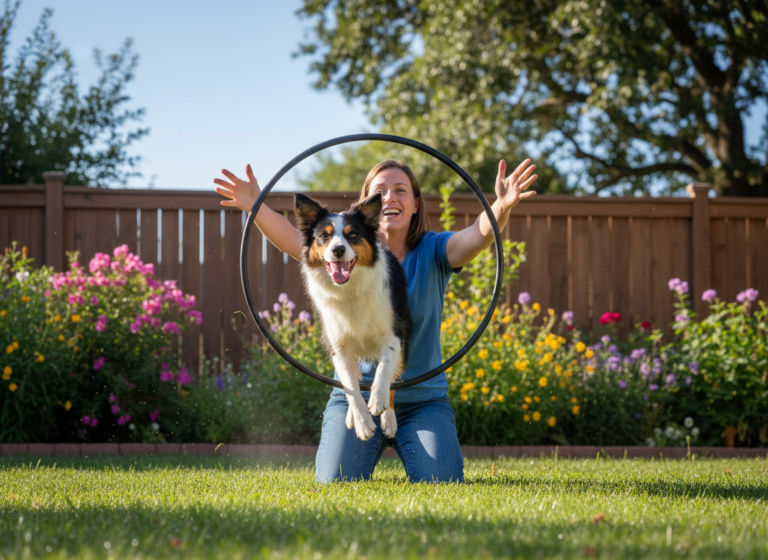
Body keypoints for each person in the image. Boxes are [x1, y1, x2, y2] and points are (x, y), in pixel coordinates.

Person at [214, 158, 537, 483]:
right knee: (334, 483)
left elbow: (475, 238)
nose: (390, 197)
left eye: (400, 190)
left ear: (415, 204)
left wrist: (502, 205)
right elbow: (295, 238)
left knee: (442, 483)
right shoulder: (341, 254)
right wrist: (254, 205)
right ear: (365, 204)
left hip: (424, 401)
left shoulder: (434, 250)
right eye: (380, 191)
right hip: (354, 396)